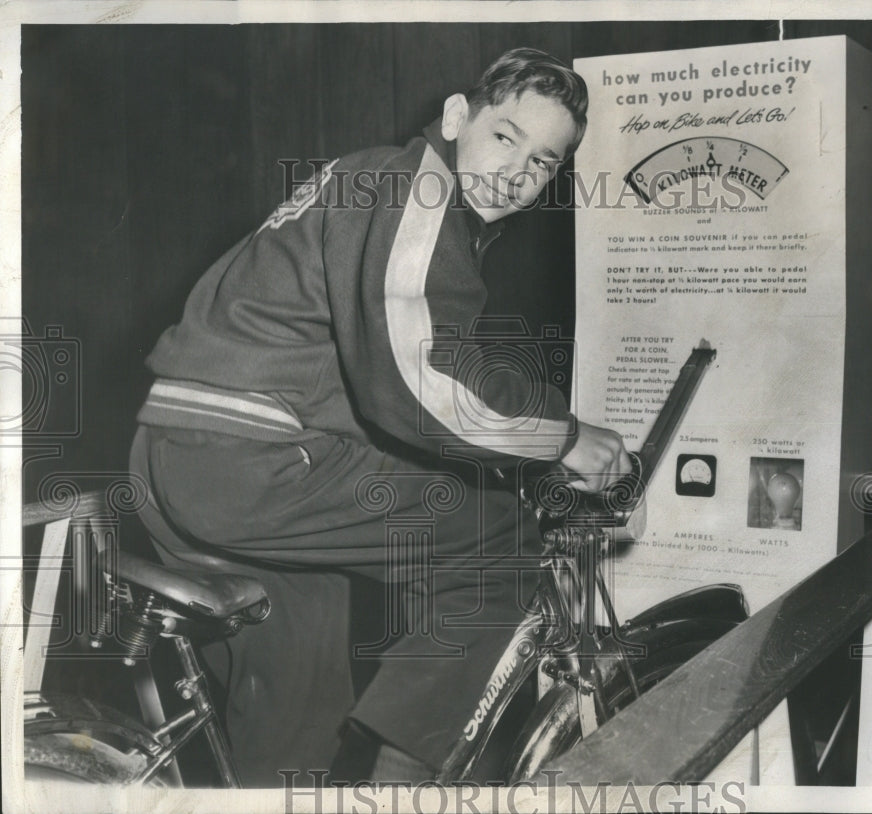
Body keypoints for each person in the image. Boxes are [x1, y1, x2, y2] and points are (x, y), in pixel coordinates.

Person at [129, 47, 630, 786]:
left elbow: (382, 377)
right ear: (459, 117)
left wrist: (501, 439)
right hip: (250, 457)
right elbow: (419, 375)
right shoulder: (417, 191)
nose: (518, 172)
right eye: (506, 137)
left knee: (296, 722)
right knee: (495, 540)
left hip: (190, 453)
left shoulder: (380, 179)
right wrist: (561, 438)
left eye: (545, 162)